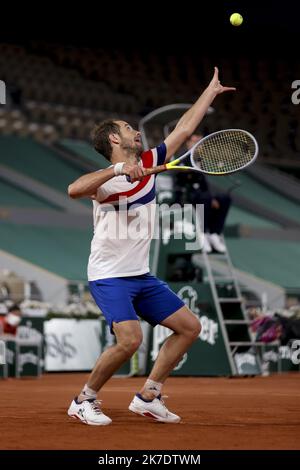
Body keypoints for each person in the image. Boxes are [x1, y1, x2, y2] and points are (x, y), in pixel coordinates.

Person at [67, 67, 235, 425]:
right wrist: (117, 172)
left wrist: (210, 91)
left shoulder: (149, 162)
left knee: (189, 327)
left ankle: (148, 395)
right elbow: (74, 189)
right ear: (113, 139)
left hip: (140, 275)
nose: (135, 130)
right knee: (130, 341)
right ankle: (83, 399)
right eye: (128, 127)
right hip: (109, 276)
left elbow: (185, 129)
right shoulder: (106, 183)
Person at [174, 133, 232, 253]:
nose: (198, 145)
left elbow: (204, 185)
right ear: (188, 143)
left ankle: (214, 233)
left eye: (200, 143)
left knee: (225, 198)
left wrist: (212, 198)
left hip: (202, 196)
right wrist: (208, 198)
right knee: (205, 198)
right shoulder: (181, 159)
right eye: (195, 142)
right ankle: (202, 233)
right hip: (185, 197)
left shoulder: (201, 161)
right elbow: (182, 182)